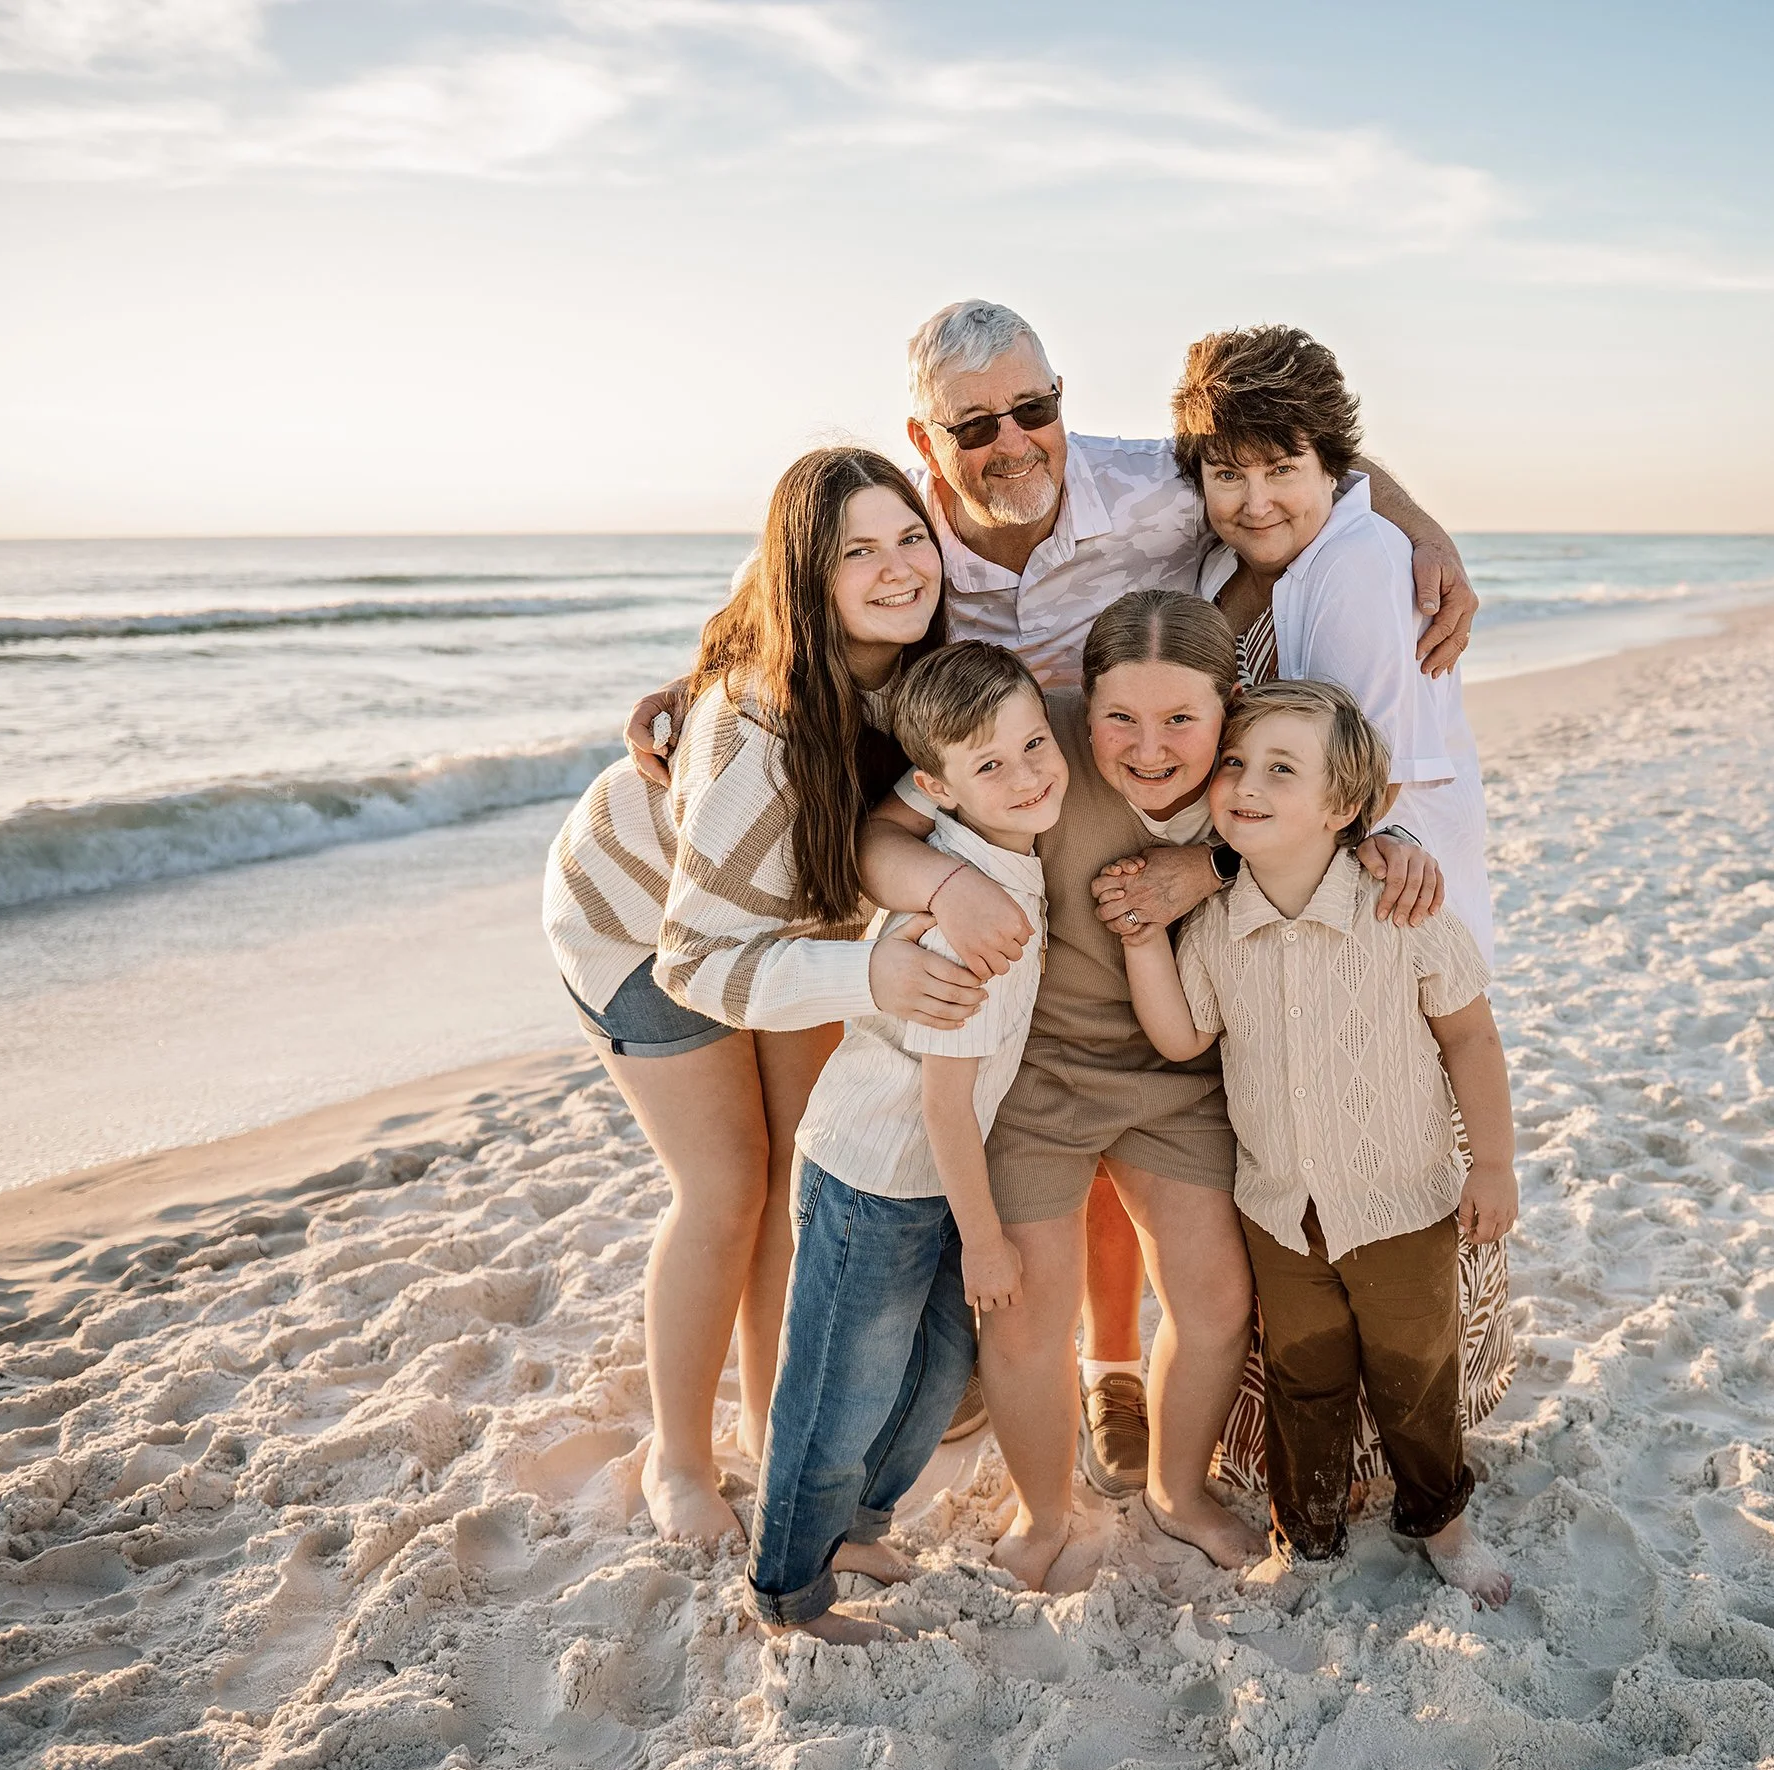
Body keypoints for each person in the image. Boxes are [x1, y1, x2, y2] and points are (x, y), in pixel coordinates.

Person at [625, 301, 1475, 1498]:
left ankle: (1088, 1373)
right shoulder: (897, 530)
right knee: (750, 1177)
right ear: (925, 442)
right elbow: (775, 605)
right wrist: (701, 677)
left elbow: (1288, 452)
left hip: (953, 841)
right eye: (974, 425)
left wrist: (1420, 527)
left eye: (1034, 408)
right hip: (714, 887)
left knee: (1021, 1101)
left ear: (1061, 397)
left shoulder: (1151, 486)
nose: (1012, 440)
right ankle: (718, 1455)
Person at [859, 590, 1448, 1587]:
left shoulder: (1251, 773)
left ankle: (1178, 1491)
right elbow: (878, 841)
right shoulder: (1035, 744)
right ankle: (1042, 1512)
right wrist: (946, 887)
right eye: (1118, 718)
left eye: (1181, 719)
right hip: (1038, 1072)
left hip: (1179, 1076)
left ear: (1231, 709)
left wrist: (1222, 861)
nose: (1148, 748)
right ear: (1077, 705)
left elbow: (1343, 823)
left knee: (1214, 1298)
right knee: (1028, 1312)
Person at [541, 447, 985, 1549]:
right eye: (859, 552)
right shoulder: (755, 732)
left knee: (800, 1171)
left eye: (910, 538)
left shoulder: (907, 661)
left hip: (789, 916)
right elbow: (698, 961)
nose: (898, 567)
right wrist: (871, 974)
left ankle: (765, 1423)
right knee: (728, 1183)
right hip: (639, 925)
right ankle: (680, 1460)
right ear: (811, 576)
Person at [1119, 679, 1516, 1605]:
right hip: (1281, 1214)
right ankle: (1307, 1536)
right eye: (1235, 763)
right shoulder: (1214, 928)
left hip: (1402, 1204)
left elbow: (1471, 1038)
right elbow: (1180, 1036)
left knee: (1416, 1376)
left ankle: (1443, 1522)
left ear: (1343, 808)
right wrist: (1142, 939)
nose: (1245, 784)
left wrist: (1493, 1164)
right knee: (1305, 1382)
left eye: (1280, 770)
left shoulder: (1403, 911)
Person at [753, 641, 1064, 1644]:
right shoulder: (967, 911)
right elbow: (942, 1103)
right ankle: (788, 1592)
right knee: (837, 1391)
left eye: (1034, 743)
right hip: (872, 1176)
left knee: (935, 1367)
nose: (1027, 775)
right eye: (991, 765)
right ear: (935, 788)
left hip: (930, 1178)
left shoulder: (1004, 855)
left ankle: (853, 1528)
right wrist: (988, 1240)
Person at [1170, 323, 1493, 960]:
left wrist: (1206, 869)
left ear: (1330, 470)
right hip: (1282, 890)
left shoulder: (1360, 567)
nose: (1256, 504)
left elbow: (1364, 789)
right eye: (1229, 474)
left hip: (1389, 899)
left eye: (1282, 470)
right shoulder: (1219, 565)